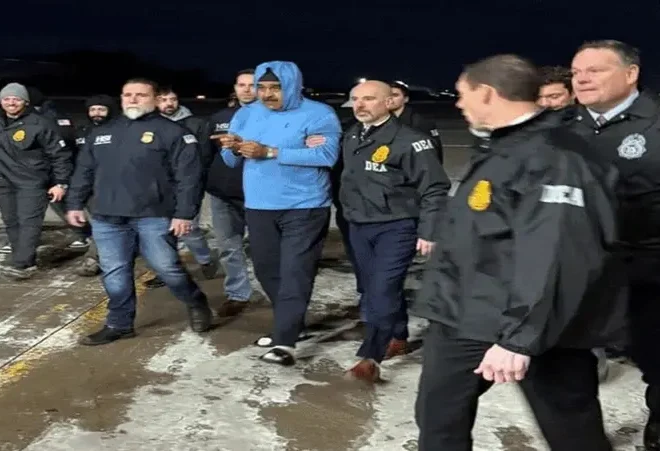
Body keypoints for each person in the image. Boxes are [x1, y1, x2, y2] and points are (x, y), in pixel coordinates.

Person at [411, 54, 624, 451]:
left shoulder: (556, 157)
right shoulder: (504, 147)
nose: (458, 104)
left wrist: (519, 340)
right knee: (438, 419)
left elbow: (558, 252)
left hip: (538, 324)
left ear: (487, 93)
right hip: (464, 315)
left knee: (570, 428)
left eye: (462, 94)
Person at [212, 61, 341, 366]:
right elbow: (231, 161)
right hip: (259, 205)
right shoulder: (246, 114)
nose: (267, 94)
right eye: (262, 87)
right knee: (267, 269)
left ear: (293, 86)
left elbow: (326, 155)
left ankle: (285, 341)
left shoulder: (318, 113)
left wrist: (269, 152)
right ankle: (291, 323)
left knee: (296, 270)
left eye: (275, 88)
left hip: (305, 205)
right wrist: (233, 147)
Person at [67, 77, 212, 346]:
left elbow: (189, 177)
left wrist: (184, 213)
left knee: (167, 268)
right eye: (127, 95)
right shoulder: (102, 133)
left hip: (153, 215)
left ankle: (195, 301)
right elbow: (84, 170)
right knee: (115, 273)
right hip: (107, 216)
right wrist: (74, 202)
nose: (132, 99)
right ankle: (120, 324)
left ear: (155, 100)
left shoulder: (173, 133)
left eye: (140, 95)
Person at [567, 39, 660, 449]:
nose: (582, 79)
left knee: (655, 354)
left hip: (647, 269)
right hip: (580, 268)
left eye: (595, 70)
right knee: (571, 361)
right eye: (576, 72)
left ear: (631, 73)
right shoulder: (561, 129)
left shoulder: (656, 122)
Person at [338, 80, 450, 381]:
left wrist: (429, 230)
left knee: (382, 289)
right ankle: (398, 335)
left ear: (389, 102)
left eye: (369, 99)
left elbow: (435, 187)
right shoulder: (352, 135)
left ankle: (370, 356)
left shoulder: (411, 141)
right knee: (372, 286)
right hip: (358, 224)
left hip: (397, 225)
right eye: (355, 99)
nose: (360, 105)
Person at [0, 83, 72, 280]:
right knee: (11, 221)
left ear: (26, 102)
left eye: (16, 99)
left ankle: (22, 264)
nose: (11, 103)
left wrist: (60, 182)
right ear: (0, 101)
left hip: (32, 181)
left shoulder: (40, 123)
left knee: (28, 221)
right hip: (2, 181)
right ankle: (22, 257)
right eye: (6, 99)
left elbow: (60, 155)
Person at [204, 68, 256, 317]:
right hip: (223, 194)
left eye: (252, 84)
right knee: (228, 246)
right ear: (234, 88)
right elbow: (206, 155)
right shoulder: (219, 118)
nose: (246, 89)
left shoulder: (275, 118)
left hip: (259, 195)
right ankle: (238, 294)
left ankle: (279, 292)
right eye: (241, 84)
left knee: (266, 249)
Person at [157, 86, 218, 280]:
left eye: (172, 99)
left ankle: (205, 260)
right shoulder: (150, 124)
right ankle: (168, 270)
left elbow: (205, 155)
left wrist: (197, 180)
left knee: (187, 229)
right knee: (161, 231)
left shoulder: (196, 124)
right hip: (159, 185)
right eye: (163, 100)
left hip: (187, 184)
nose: (169, 103)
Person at [72, 94, 119, 277]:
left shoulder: (119, 130)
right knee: (102, 224)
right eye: (92, 109)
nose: (96, 113)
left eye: (101, 109)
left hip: (112, 186)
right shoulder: (82, 131)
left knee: (104, 223)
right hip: (88, 185)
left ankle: (93, 259)